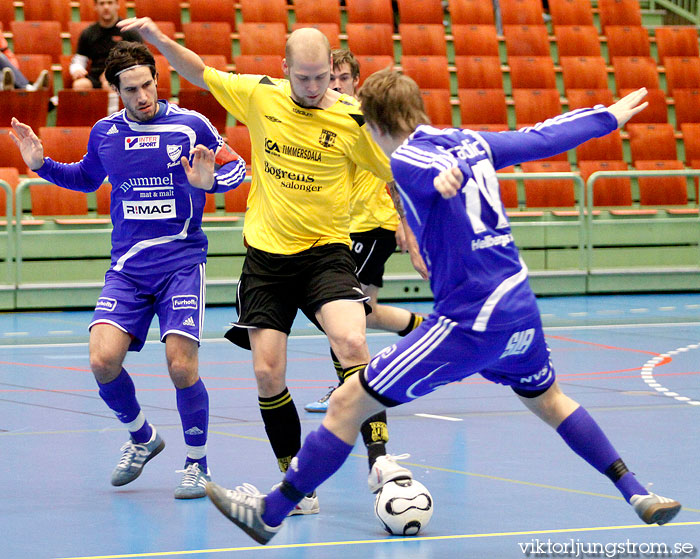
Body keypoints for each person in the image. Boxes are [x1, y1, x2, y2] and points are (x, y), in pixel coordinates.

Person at [204, 74, 682, 544]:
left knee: (348, 402)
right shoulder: (466, 139)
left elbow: (427, 175)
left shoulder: (406, 159)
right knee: (551, 402)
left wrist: (442, 181)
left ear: (372, 123)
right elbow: (540, 138)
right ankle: (635, 491)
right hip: (521, 308)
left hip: (471, 321)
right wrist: (607, 117)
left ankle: (271, 513)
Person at [117, 18, 417, 513]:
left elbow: (399, 168)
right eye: (305, 78)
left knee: (353, 340)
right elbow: (199, 71)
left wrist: (412, 220)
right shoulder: (261, 95)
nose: (316, 87)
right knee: (266, 373)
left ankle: (379, 461)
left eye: (323, 77)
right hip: (266, 261)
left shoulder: (350, 118)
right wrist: (155, 39)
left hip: (325, 254)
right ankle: (297, 486)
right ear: (285, 71)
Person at [10, 41, 247, 499]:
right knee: (102, 360)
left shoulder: (190, 125)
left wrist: (210, 182)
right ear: (115, 90)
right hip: (128, 268)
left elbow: (237, 169)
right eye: (132, 89)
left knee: (181, 366)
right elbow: (84, 178)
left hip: (181, 262)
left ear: (158, 80)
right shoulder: (105, 132)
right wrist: (41, 165)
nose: (143, 96)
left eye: (148, 85)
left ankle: (197, 463)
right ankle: (142, 436)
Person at [304, 48, 425, 414]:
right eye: (332, 78)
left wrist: (406, 226)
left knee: (341, 309)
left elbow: (396, 173)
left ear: (356, 81)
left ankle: (351, 391)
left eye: (344, 78)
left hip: (373, 226)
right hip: (344, 226)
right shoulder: (329, 117)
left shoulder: (367, 121)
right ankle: (423, 330)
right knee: (364, 312)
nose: (337, 84)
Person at [71, 0, 142, 92]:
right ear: (95, 6)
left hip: (122, 75)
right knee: (79, 85)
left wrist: (112, 73)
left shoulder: (129, 31)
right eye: (102, 3)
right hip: (95, 76)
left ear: (117, 5)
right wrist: (77, 70)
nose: (106, 7)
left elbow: (140, 60)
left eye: (110, 3)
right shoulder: (88, 33)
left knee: (110, 85)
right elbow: (79, 59)